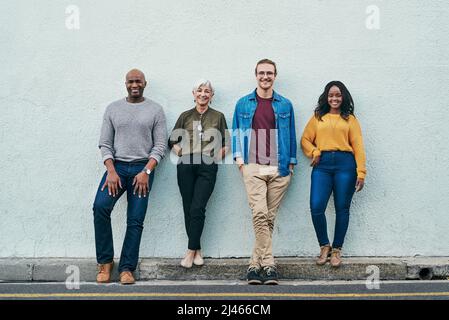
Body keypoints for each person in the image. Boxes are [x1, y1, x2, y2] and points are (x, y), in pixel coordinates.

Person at [93, 69, 167, 284]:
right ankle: (105, 263)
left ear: (145, 83)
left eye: (139, 81)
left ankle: (127, 268)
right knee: (100, 207)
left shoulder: (155, 110)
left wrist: (147, 171)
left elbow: (160, 145)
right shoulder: (113, 109)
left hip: (142, 171)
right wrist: (111, 170)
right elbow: (105, 143)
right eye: (131, 81)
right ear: (125, 83)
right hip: (116, 169)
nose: (135, 84)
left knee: (135, 220)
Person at [232, 59, 297, 285]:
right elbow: (236, 133)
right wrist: (240, 161)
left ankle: (254, 265)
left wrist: (290, 163)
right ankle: (269, 265)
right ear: (256, 75)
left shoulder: (285, 105)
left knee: (268, 218)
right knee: (260, 213)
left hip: (278, 167)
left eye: (269, 73)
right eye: (261, 73)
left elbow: (291, 133)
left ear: (275, 75)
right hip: (254, 165)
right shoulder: (243, 103)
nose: (265, 77)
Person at [301, 81, 366, 268]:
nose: (334, 98)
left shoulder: (350, 120)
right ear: (326, 97)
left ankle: (337, 250)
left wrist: (361, 172)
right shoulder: (317, 117)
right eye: (331, 95)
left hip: (345, 165)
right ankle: (324, 246)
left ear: (343, 97)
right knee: (316, 206)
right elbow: (305, 139)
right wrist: (314, 152)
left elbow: (358, 147)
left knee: (342, 208)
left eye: (338, 95)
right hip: (322, 165)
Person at [169, 79, 230, 268]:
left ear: (212, 96)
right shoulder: (185, 116)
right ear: (194, 94)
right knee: (188, 207)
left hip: (207, 165)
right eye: (200, 91)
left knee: (197, 207)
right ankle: (197, 249)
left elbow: (227, 143)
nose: (203, 94)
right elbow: (172, 140)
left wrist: (214, 158)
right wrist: (182, 153)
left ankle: (189, 252)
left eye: (207, 91)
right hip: (186, 164)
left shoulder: (218, 116)